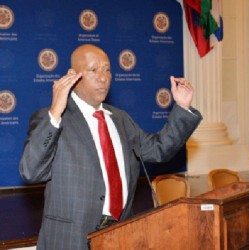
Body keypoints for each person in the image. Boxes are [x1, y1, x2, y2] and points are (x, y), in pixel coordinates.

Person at [19, 44, 202, 250]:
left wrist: (183, 107)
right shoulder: (52, 118)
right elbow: (31, 172)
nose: (103, 77)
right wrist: (55, 113)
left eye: (107, 69)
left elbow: (159, 149)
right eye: (93, 70)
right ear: (73, 76)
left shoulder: (120, 119)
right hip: (70, 240)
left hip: (119, 235)